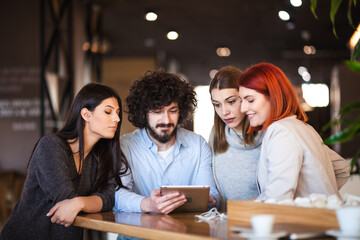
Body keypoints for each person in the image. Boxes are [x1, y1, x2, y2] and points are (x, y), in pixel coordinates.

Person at [0, 83, 129, 240]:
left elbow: (109, 198)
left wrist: (80, 203)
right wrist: (82, 202)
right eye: (108, 112)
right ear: (86, 115)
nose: (117, 118)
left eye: (117, 113)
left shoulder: (101, 156)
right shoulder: (51, 146)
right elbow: (65, 200)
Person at [237, 62, 350, 200]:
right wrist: (319, 199)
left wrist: (310, 203)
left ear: (273, 96)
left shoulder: (281, 131)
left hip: (308, 221)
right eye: (241, 100)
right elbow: (342, 168)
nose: (242, 108)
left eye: (250, 100)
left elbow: (277, 198)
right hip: (325, 218)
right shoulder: (304, 128)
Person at [114, 70, 220, 214]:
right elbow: (116, 195)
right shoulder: (125, 147)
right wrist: (147, 204)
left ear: (181, 111)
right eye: (157, 112)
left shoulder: (198, 145)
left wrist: (208, 199)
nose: (166, 120)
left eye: (172, 111)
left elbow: (213, 195)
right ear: (143, 112)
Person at [208, 66, 263, 211]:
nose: (224, 112)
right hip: (223, 223)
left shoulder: (271, 134)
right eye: (217, 105)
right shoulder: (216, 134)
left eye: (231, 102)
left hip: (261, 222)